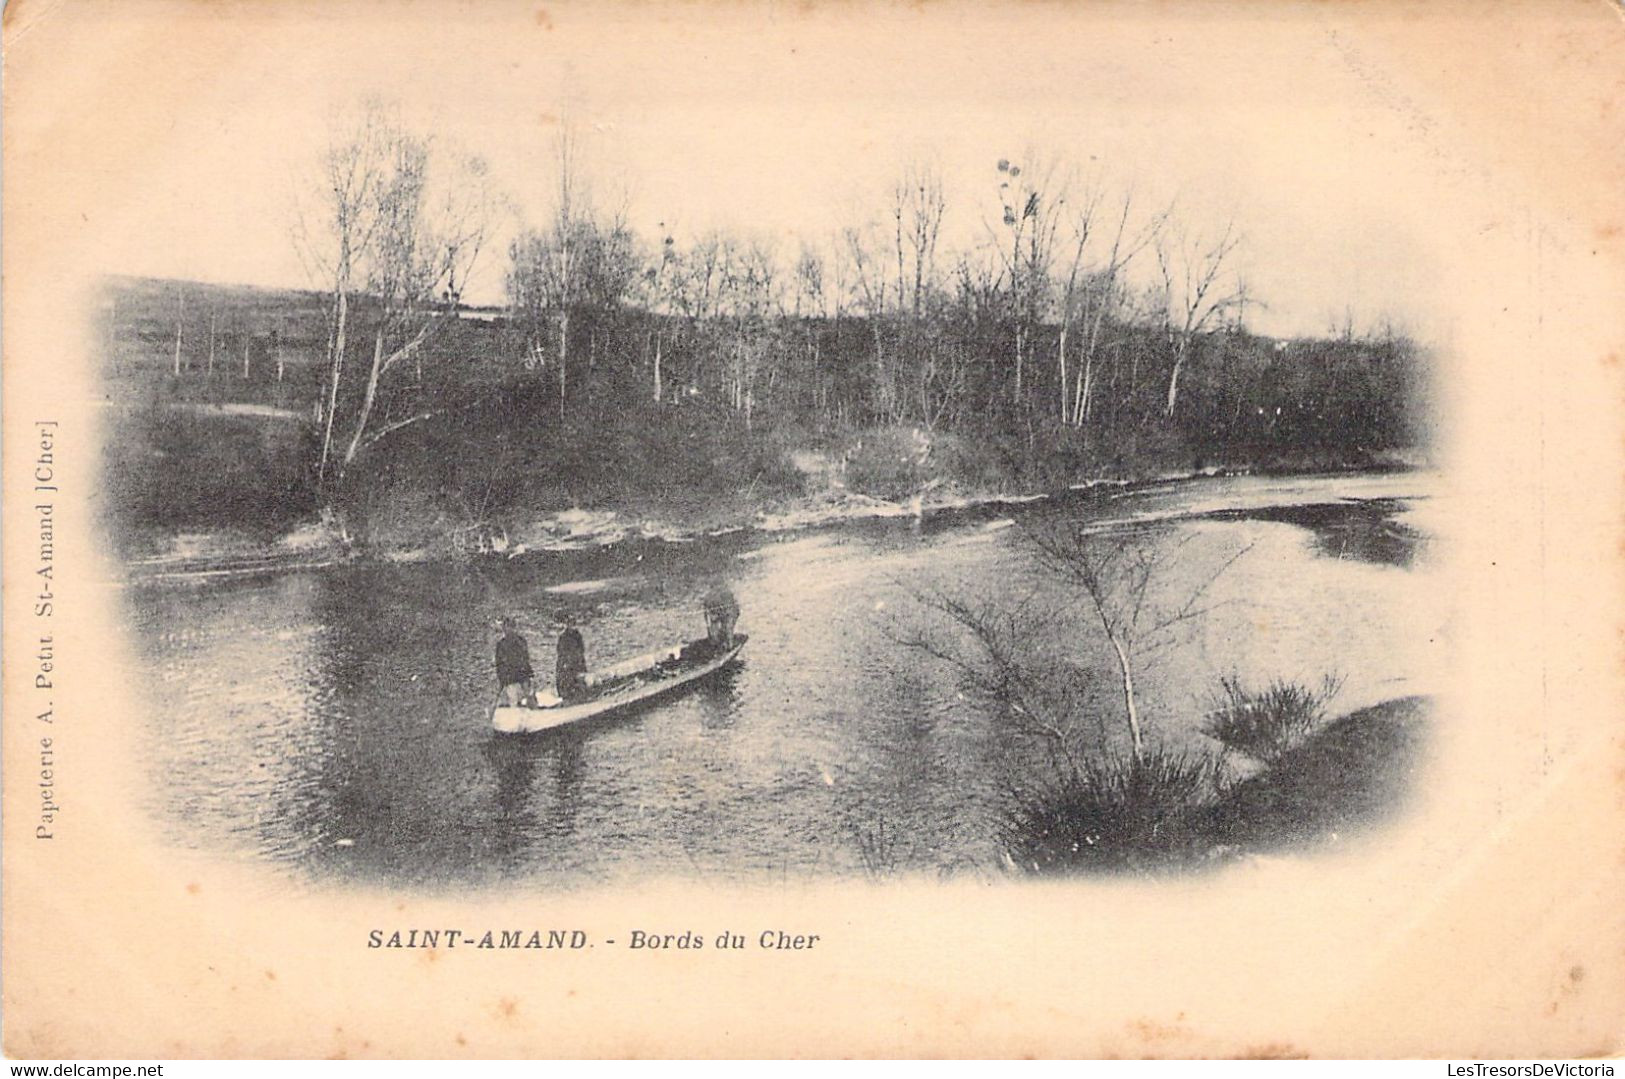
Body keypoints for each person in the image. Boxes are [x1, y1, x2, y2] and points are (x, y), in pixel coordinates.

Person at [493, 617, 534, 708]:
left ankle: (533, 712)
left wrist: (529, 674)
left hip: (522, 675)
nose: (509, 630)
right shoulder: (501, 644)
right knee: (513, 699)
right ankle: (515, 715)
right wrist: (502, 678)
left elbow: (525, 658)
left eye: (511, 627)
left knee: (529, 697)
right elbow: (499, 663)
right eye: (507, 627)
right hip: (510, 677)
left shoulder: (521, 641)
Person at [555, 620, 588, 702]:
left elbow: (581, 649)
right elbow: (561, 651)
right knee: (566, 679)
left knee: (579, 678)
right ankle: (568, 697)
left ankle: (581, 696)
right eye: (570, 624)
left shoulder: (577, 636)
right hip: (567, 662)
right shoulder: (563, 637)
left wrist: (579, 659)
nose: (571, 626)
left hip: (576, 661)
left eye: (573, 624)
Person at [703, 582, 740, 649]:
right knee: (714, 634)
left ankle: (729, 646)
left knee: (727, 629)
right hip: (716, 614)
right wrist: (708, 625)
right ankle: (716, 646)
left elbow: (734, 611)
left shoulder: (727, 595)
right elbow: (706, 612)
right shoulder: (708, 598)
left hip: (728, 613)